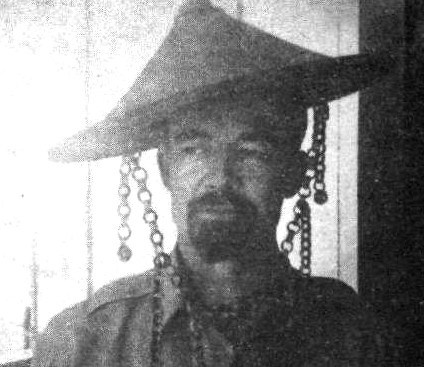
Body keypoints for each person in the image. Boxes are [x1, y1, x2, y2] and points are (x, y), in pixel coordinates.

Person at [32, 0, 395, 366]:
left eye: (252, 151)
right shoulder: (84, 343)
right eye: (194, 150)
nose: (219, 177)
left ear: (293, 173)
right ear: (165, 171)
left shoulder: (349, 333)